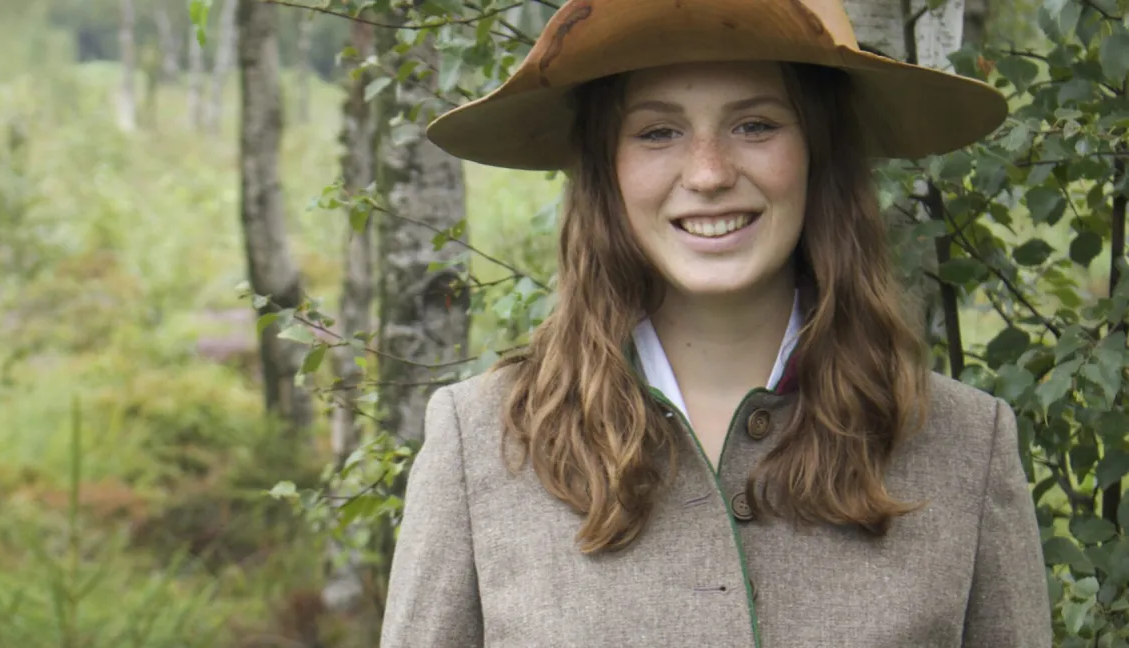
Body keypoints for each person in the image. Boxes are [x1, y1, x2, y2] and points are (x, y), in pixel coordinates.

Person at [381, 0, 1052, 645]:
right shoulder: (482, 447)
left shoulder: (966, 448)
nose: (707, 174)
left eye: (755, 125)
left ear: (820, 150)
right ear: (605, 171)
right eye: (658, 131)